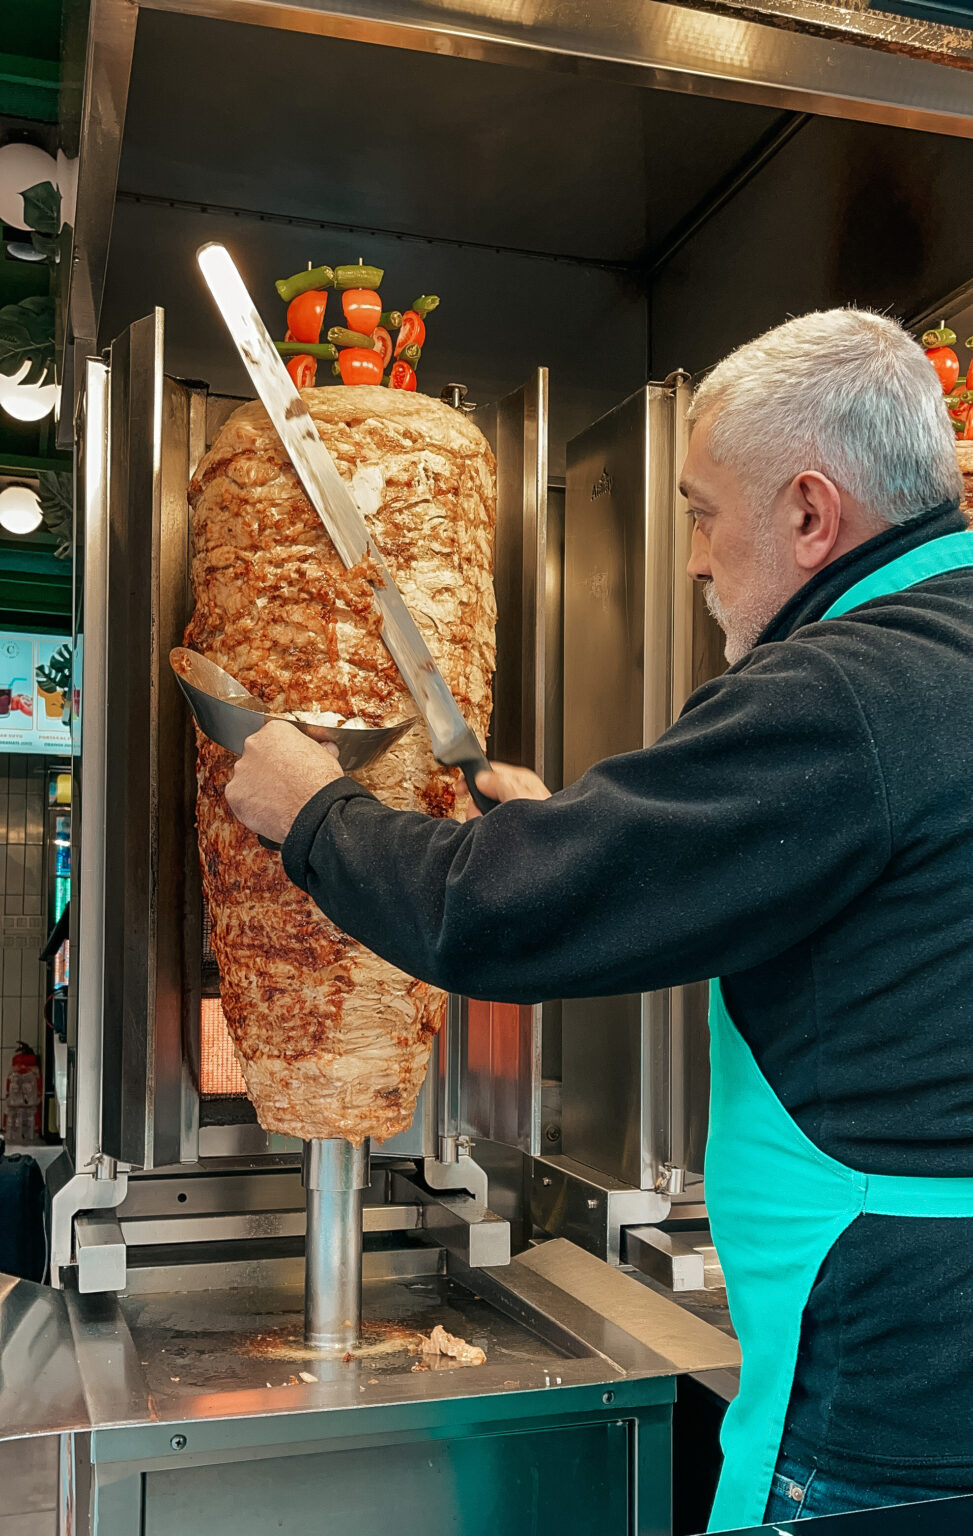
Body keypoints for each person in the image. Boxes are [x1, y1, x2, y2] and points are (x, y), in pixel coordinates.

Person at [225, 309, 973, 1530]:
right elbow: (874, 928)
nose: (691, 557)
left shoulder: (847, 687)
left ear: (806, 512)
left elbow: (496, 919)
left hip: (891, 1385)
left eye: (699, 511)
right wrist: (573, 832)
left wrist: (315, 816)